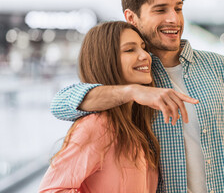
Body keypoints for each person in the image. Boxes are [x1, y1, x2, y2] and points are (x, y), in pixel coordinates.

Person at [50, 0, 224, 192]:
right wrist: (133, 91)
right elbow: (60, 104)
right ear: (132, 17)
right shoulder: (133, 77)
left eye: (178, 9)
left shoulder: (222, 68)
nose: (174, 19)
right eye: (160, 10)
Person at [39, 21, 163, 192]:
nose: (145, 56)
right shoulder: (98, 126)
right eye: (130, 50)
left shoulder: (134, 126)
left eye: (143, 48)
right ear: (106, 61)